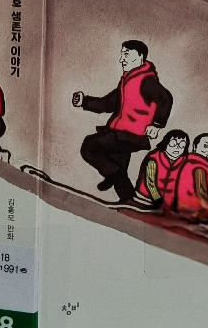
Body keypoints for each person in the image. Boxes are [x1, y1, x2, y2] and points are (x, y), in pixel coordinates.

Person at [72, 40, 173, 205]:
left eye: (126, 54)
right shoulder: (127, 81)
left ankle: (114, 175)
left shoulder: (146, 81)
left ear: (140, 57)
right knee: (119, 169)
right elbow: (109, 103)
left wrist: (157, 125)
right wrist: (85, 102)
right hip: (121, 133)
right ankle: (129, 201)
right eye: (121, 55)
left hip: (131, 135)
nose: (121, 59)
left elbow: (165, 99)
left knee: (90, 146)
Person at [135, 129, 189, 208]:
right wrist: (158, 200)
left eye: (182, 145)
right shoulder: (153, 158)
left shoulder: (185, 161)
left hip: (169, 202)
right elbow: (150, 182)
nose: (177, 148)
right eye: (173, 144)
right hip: (146, 197)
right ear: (166, 143)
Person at [171, 133, 208, 224]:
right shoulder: (199, 166)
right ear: (195, 147)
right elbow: (202, 192)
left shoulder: (188, 162)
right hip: (194, 211)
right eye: (206, 146)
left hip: (183, 208)